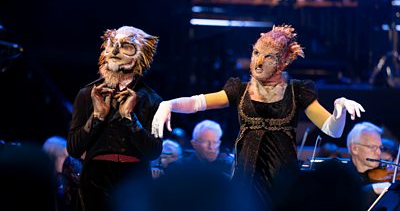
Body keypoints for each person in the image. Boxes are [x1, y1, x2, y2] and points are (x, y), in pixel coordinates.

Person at [151, 25, 365, 209]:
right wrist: (168, 104)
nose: (258, 61)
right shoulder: (240, 90)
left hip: (282, 182)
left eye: (268, 56)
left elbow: (333, 130)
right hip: (246, 180)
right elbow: (198, 102)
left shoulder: (297, 91)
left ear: (282, 62)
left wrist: (339, 111)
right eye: (255, 53)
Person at [67, 26, 163, 211]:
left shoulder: (152, 100)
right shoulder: (88, 94)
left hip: (134, 181)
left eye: (126, 46)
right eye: (112, 44)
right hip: (95, 180)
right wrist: (97, 117)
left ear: (141, 54)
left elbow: (154, 151)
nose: (116, 51)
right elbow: (73, 148)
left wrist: (129, 118)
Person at [346, 121, 391, 208]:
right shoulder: (340, 176)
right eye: (373, 147)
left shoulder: (383, 175)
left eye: (380, 148)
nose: (379, 152)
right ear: (354, 148)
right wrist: (372, 189)